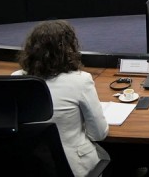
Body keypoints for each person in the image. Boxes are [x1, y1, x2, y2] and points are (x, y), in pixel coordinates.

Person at [14, 20, 109, 177]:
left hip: (30, 166)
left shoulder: (15, 79)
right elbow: (98, 134)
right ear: (69, 49)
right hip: (74, 168)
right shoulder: (80, 80)